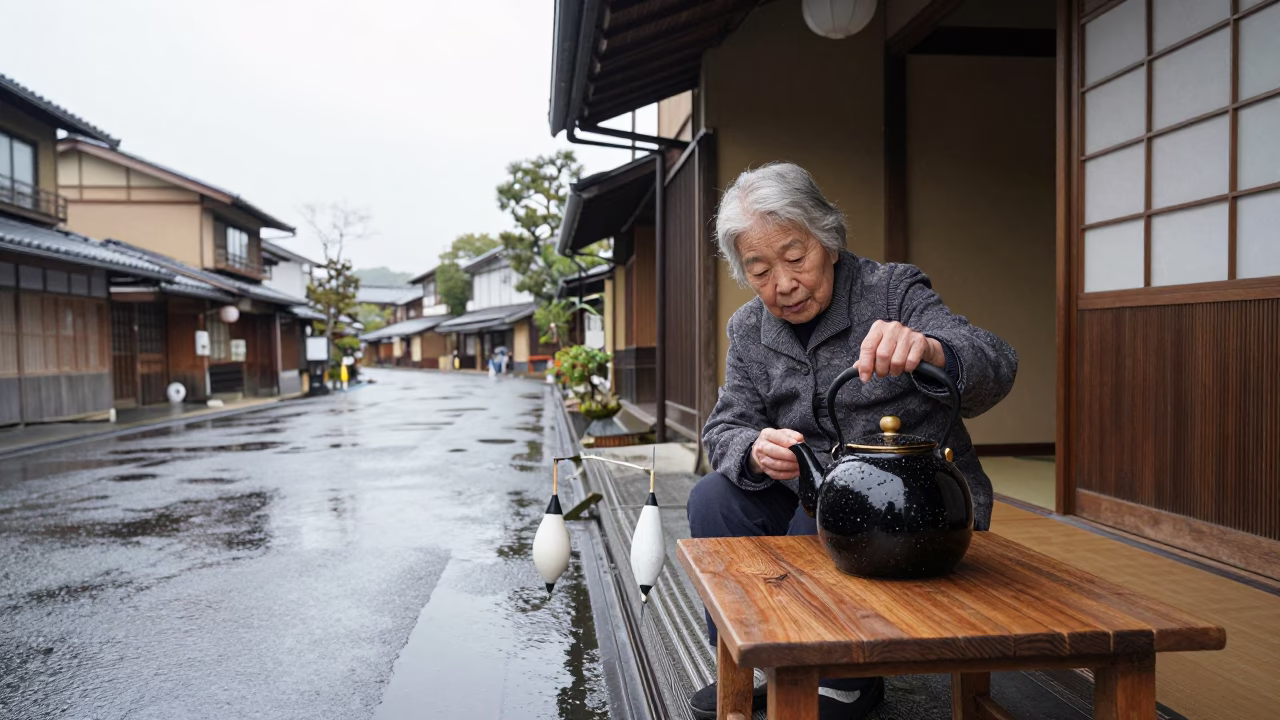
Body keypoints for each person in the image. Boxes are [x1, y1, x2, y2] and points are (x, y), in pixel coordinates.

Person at [688, 162, 1018, 720]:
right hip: (810, 492)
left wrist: (930, 349)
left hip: (908, 503)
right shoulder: (748, 329)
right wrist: (753, 449)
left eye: (796, 258)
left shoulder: (892, 290)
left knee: (813, 523)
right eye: (760, 270)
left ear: (829, 241)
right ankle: (757, 657)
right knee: (712, 498)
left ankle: (842, 677)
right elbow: (725, 425)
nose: (783, 284)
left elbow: (996, 362)